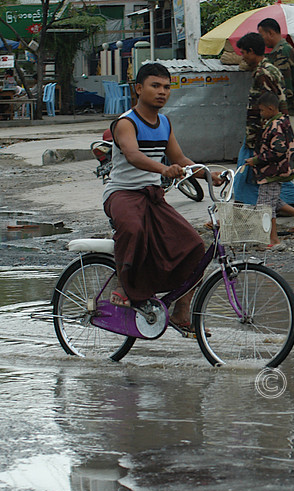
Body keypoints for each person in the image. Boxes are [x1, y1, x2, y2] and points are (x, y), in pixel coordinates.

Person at [103, 62, 220, 331]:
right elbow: (133, 155)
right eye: (155, 86)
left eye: (167, 87)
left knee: (194, 248)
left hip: (152, 197)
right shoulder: (126, 122)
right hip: (122, 194)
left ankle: (180, 311)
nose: (162, 92)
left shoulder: (164, 122)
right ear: (138, 89)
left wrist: (207, 174)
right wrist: (163, 168)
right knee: (132, 228)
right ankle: (122, 285)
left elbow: (179, 158)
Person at [246, 91, 294, 241]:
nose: (261, 113)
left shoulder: (276, 125)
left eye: (262, 110)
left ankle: (273, 239)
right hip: (276, 170)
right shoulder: (281, 121)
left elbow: (278, 151)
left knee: (266, 207)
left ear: (270, 108)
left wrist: (256, 160)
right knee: (272, 201)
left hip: (273, 171)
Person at [232, 32, 286, 205]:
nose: (243, 57)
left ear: (251, 51)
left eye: (243, 53)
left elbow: (268, 107)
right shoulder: (269, 69)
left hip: (259, 136)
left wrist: (264, 139)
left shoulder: (263, 74)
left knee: (244, 177)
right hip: (259, 136)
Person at [257, 18, 294, 140]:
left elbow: (285, 88)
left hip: (290, 111)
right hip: (291, 111)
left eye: (261, 35)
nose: (261, 39)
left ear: (271, 33)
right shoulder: (281, 50)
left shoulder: (283, 52)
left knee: (291, 148)